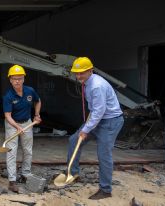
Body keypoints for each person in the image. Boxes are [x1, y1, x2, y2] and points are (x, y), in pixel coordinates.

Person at [66, 57, 124, 200]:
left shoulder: (96, 85)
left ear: (90, 71)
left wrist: (86, 130)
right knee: (74, 140)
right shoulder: (87, 82)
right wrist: (86, 127)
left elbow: (99, 111)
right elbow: (95, 111)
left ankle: (105, 190)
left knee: (103, 154)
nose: (78, 76)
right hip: (97, 118)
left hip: (110, 121)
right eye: (76, 73)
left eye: (82, 73)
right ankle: (73, 174)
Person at [3, 65, 42, 193]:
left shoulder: (30, 91)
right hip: (12, 124)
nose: (17, 81)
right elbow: (7, 116)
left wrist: (37, 115)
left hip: (27, 123)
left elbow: (38, 101)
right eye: (14, 79)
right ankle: (12, 181)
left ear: (24, 78)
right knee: (11, 152)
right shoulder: (8, 96)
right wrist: (17, 127)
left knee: (27, 150)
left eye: (20, 78)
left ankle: (25, 174)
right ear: (10, 80)